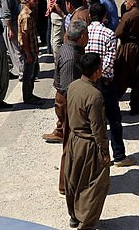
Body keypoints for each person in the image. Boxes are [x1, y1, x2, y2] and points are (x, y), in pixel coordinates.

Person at [64, 53, 110, 230]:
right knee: (95, 185)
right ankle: (87, 224)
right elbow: (98, 128)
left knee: (73, 180)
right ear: (97, 71)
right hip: (89, 144)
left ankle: (74, 216)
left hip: (74, 140)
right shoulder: (94, 95)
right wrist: (104, 152)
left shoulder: (73, 86)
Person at [86, 3, 135, 167]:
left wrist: (90, 75)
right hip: (105, 82)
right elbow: (109, 59)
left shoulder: (85, 31)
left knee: (92, 120)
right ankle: (119, 156)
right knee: (114, 120)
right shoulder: (109, 34)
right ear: (104, 16)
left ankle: (95, 157)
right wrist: (100, 74)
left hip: (88, 81)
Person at [54, 21, 88, 193]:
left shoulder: (72, 49)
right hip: (69, 104)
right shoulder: (70, 57)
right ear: (82, 37)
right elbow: (69, 89)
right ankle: (65, 185)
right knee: (70, 145)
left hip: (68, 101)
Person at [19, 0, 48, 105]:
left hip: (32, 50)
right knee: (28, 75)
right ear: (27, 1)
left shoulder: (30, 14)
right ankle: (27, 97)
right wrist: (29, 53)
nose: (36, 3)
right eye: (34, 0)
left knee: (32, 74)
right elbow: (25, 35)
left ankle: (30, 94)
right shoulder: (26, 16)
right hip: (29, 51)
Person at [0, 0, 23, 80]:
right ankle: (22, 72)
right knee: (15, 49)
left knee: (12, 49)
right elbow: (6, 15)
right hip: (10, 25)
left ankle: (8, 70)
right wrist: (10, 29)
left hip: (14, 23)